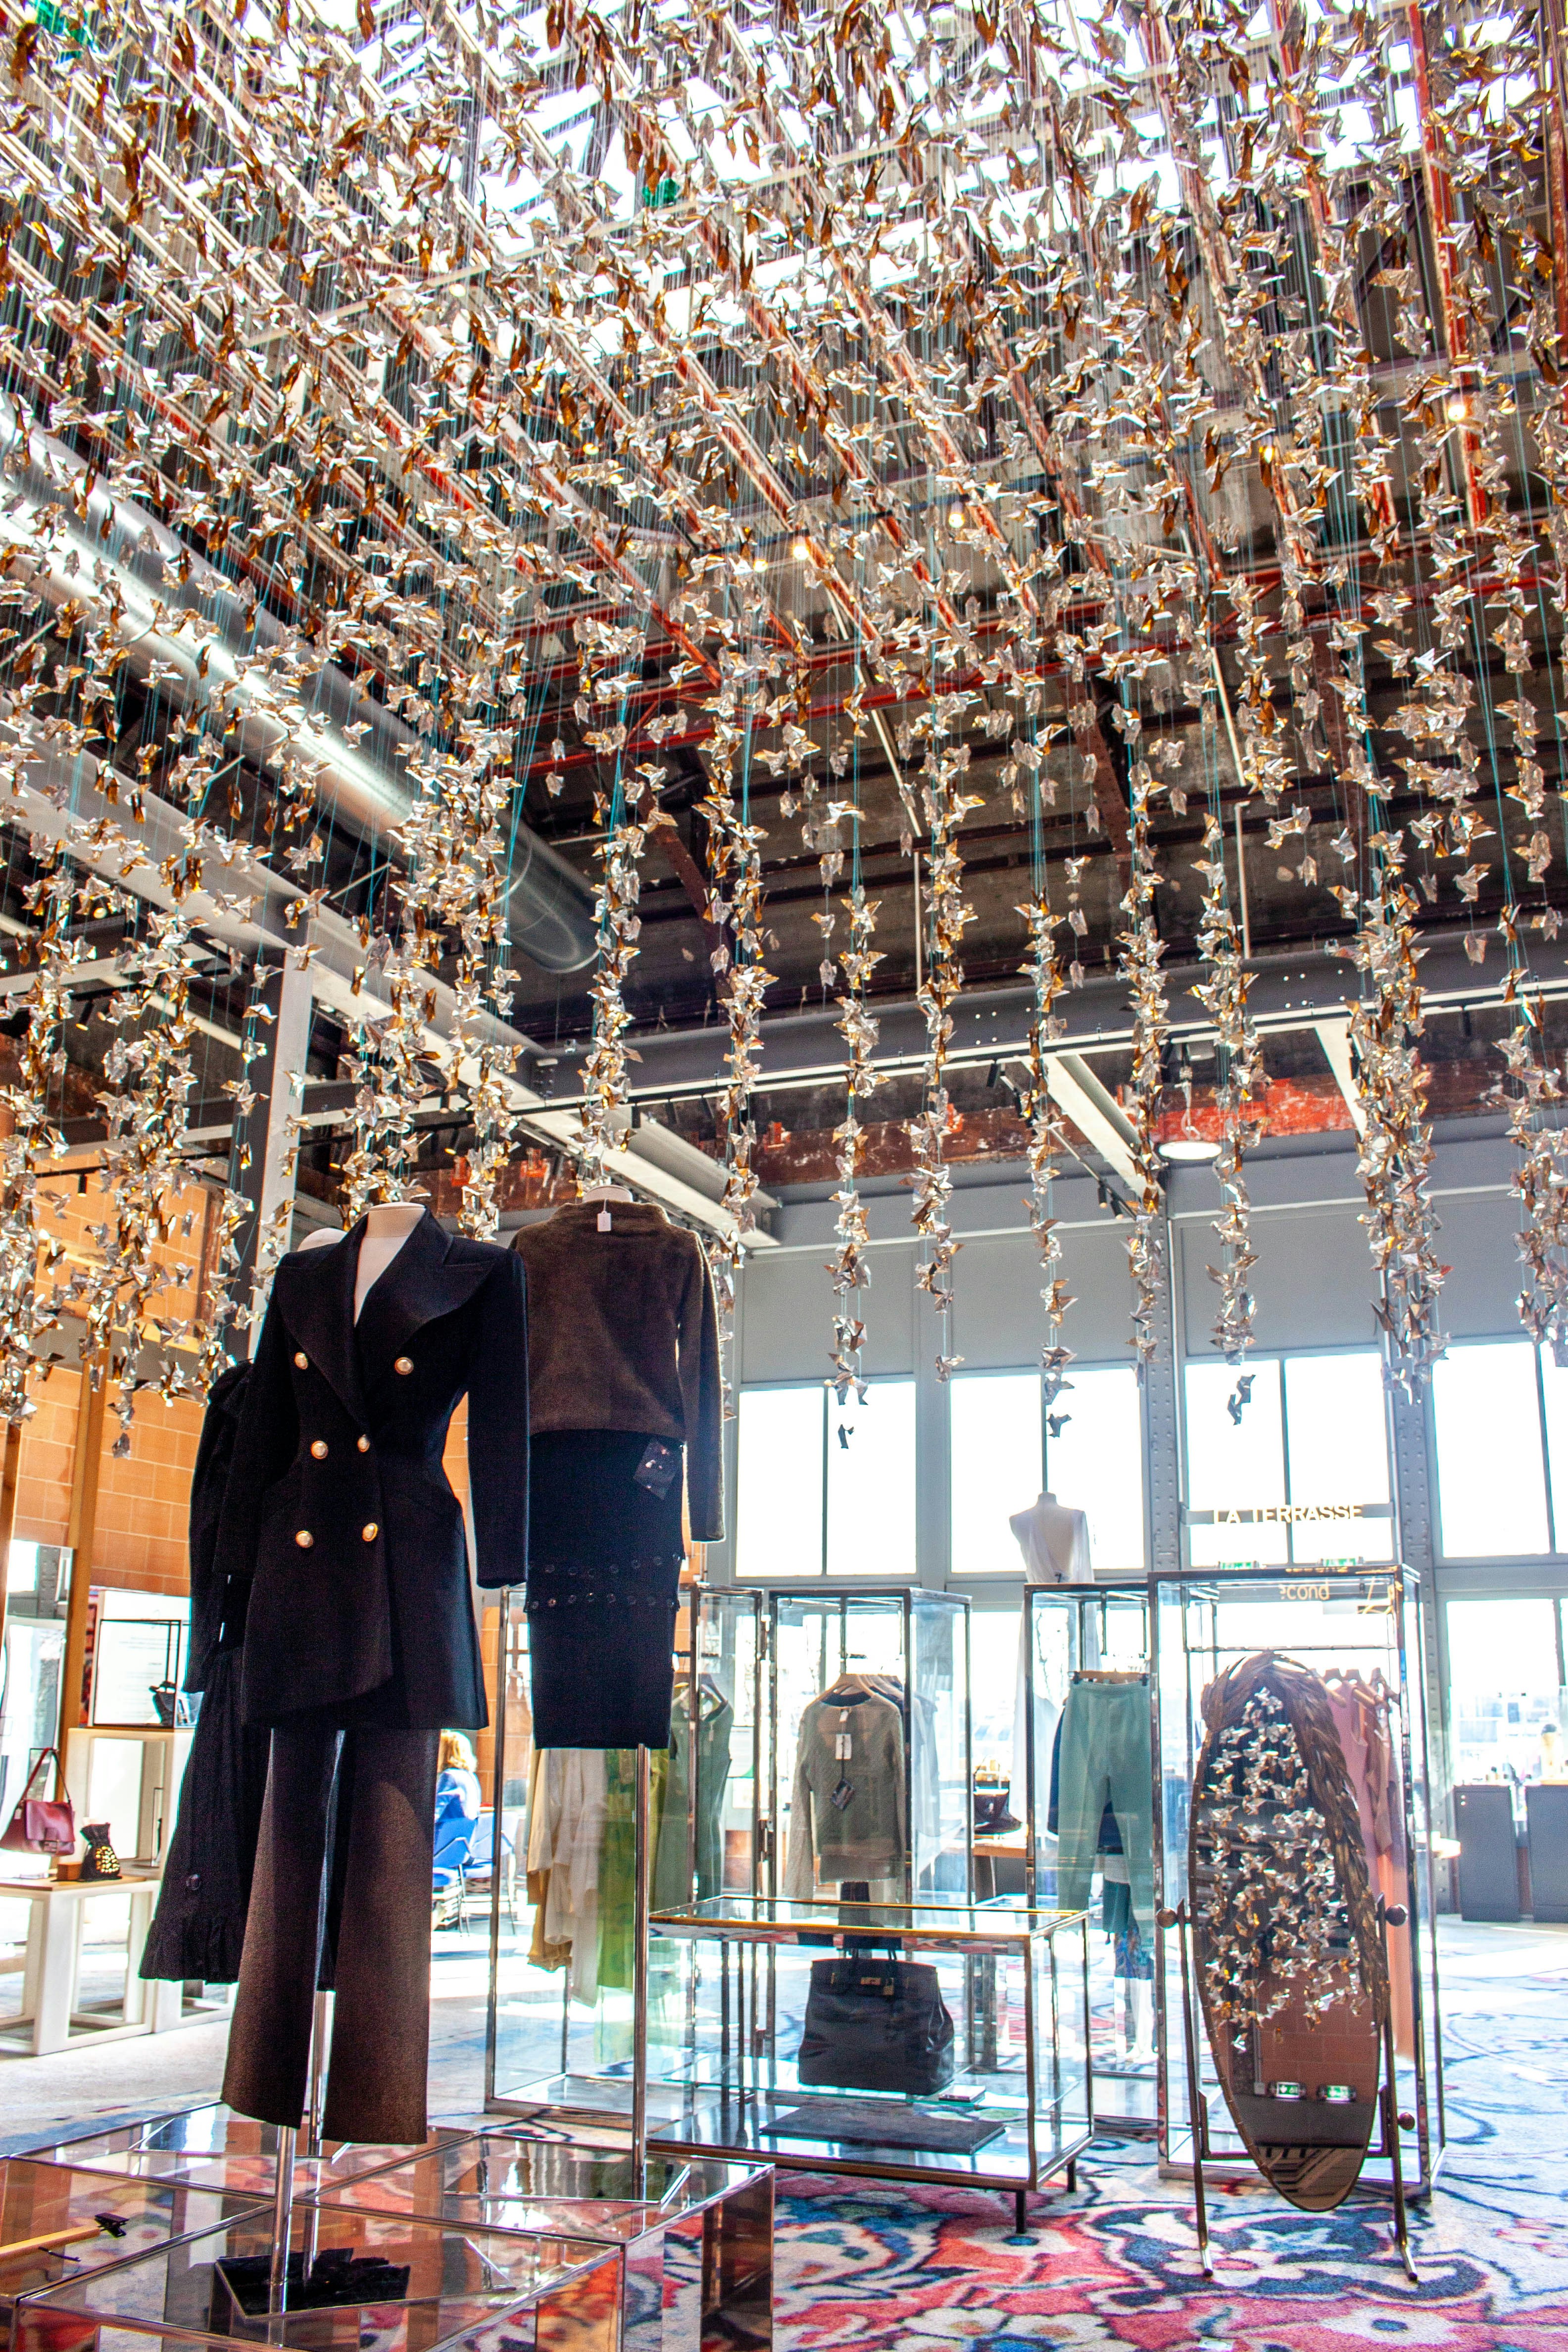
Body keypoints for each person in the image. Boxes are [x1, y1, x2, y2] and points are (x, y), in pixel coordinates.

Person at [436, 1731, 482, 1822]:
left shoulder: (449, 1776)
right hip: (467, 1833)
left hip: (447, 1833)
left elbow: (436, 1811)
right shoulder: (471, 1776)